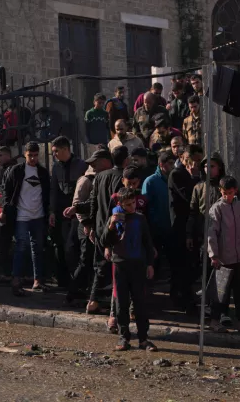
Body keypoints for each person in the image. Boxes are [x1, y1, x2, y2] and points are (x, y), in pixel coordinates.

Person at [104, 187, 158, 352]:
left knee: (140, 303)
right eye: (127, 204)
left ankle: (143, 338)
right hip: (120, 264)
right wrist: (112, 225)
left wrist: (149, 264)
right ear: (120, 204)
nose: (131, 207)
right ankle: (124, 337)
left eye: (133, 203)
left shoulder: (140, 219)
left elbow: (147, 242)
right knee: (122, 303)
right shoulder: (115, 218)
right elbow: (105, 240)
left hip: (138, 264)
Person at [4, 141, 51, 296]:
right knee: (21, 247)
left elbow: (47, 194)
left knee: (38, 248)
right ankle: (16, 280)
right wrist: (6, 210)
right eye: (30, 155)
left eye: (35, 155)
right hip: (21, 216)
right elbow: (8, 191)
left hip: (38, 216)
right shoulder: (17, 171)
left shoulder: (43, 172)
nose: (33, 158)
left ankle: (38, 280)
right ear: (25, 154)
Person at [85, 145, 128, 313]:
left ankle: (96, 300)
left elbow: (93, 203)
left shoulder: (100, 176)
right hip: (113, 227)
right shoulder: (121, 178)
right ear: (125, 160)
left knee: (100, 265)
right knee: (110, 266)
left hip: (99, 226)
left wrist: (90, 225)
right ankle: (96, 301)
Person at [207, 176, 240, 332]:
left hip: (238, 256)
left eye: (230, 192)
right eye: (224, 192)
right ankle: (214, 320)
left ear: (235, 191)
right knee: (220, 292)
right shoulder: (216, 209)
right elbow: (212, 233)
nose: (227, 196)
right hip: (223, 258)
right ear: (220, 191)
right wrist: (214, 255)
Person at [67, 148, 112, 303]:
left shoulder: (102, 178)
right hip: (85, 225)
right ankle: (73, 292)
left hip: (96, 225)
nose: (94, 166)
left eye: (96, 162)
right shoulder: (86, 180)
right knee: (86, 259)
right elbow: (78, 205)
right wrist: (86, 225)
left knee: (95, 262)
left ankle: (91, 292)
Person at [50, 136, 88, 290]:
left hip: (77, 213)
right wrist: (52, 211)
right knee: (60, 247)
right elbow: (53, 190)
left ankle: (78, 281)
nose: (54, 155)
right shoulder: (56, 167)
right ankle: (63, 281)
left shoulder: (81, 165)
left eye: (56, 151)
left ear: (66, 149)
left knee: (74, 249)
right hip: (61, 214)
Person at [168, 145, 202, 313]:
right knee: (181, 265)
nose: (196, 164)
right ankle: (182, 299)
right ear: (183, 158)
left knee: (190, 265)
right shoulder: (177, 174)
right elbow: (189, 198)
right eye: (193, 160)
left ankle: (183, 296)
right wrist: (195, 178)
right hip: (180, 226)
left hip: (192, 226)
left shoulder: (195, 174)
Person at [0, 145, 17, 279]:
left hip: (10, 212)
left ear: (8, 155)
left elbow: (9, 194)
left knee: (4, 243)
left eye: (0, 155)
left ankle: (8, 274)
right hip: (10, 211)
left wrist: (5, 211)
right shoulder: (5, 169)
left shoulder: (10, 170)